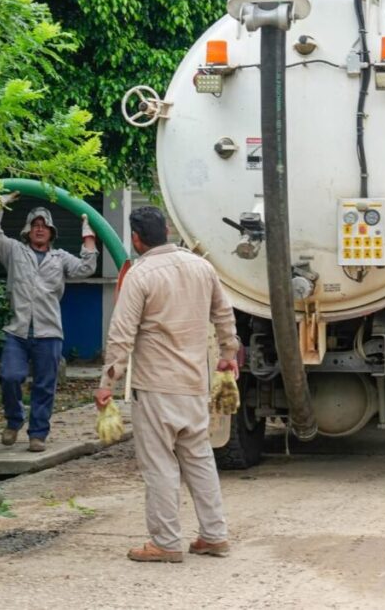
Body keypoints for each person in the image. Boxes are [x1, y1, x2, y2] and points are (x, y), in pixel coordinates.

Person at [95, 206, 239, 563]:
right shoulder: (202, 267)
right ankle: (214, 535)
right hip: (195, 383)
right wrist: (228, 353)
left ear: (136, 238)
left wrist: (107, 383)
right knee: (199, 459)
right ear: (167, 230)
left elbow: (121, 334)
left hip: (156, 387)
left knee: (160, 464)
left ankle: (165, 542)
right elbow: (224, 314)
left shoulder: (140, 275)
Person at [0, 193, 98, 452]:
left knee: (45, 386)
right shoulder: (14, 251)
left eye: (44, 226)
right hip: (18, 331)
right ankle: (14, 420)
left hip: (49, 332)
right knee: (10, 376)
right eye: (35, 225)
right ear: (27, 230)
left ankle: (38, 434)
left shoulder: (60, 258)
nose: (39, 229)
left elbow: (86, 268)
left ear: (51, 232)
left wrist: (88, 236)